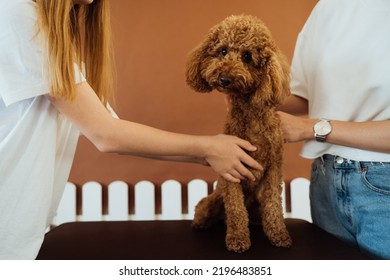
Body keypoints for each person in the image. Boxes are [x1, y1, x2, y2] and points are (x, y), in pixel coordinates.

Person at [0, 0, 262, 259]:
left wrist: (215, 154)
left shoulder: (48, 31)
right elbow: (106, 135)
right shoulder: (18, 13)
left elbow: (114, 129)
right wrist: (209, 148)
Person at [277, 0, 390, 259]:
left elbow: (310, 120)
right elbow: (306, 94)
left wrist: (311, 128)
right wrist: (248, 93)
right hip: (325, 177)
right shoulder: (327, 7)